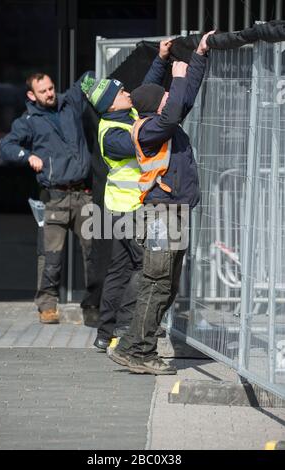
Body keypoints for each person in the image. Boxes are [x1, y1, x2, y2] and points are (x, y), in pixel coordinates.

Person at [109, 31, 215, 375]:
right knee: (156, 282)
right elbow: (173, 108)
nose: (173, 96)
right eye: (166, 95)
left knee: (166, 285)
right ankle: (139, 351)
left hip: (175, 213)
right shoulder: (149, 128)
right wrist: (178, 74)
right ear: (157, 104)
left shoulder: (163, 121)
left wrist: (198, 56)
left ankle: (132, 346)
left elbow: (185, 97)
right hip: (161, 215)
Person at [82, 40, 173, 350]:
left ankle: (104, 333)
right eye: (121, 93)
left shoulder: (126, 113)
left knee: (119, 269)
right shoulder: (112, 133)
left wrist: (160, 59)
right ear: (110, 104)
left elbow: (146, 87)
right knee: (139, 267)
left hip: (122, 208)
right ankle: (123, 326)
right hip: (128, 209)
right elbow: (143, 142)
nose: (128, 93)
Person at [0, 72, 101, 325]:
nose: (49, 93)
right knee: (50, 255)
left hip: (83, 195)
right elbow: (6, 146)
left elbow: (87, 77)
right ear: (31, 95)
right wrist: (27, 156)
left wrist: (101, 75)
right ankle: (47, 305)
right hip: (54, 197)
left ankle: (93, 306)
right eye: (43, 91)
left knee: (94, 253)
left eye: (51, 88)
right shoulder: (29, 121)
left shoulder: (70, 102)